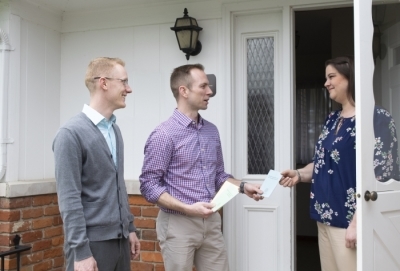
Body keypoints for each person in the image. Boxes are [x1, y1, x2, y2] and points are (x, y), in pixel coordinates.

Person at [139, 64, 263, 271]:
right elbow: (149, 185)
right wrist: (188, 208)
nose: (210, 92)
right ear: (184, 91)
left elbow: (219, 176)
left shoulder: (211, 131)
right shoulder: (163, 134)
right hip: (178, 224)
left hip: (211, 222)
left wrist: (243, 186)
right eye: (204, 86)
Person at [280, 56, 399, 271]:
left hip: (350, 222)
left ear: (351, 77)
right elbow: (322, 163)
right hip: (323, 218)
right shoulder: (332, 118)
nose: (326, 83)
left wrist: (357, 222)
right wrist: (298, 174)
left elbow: (381, 175)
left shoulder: (376, 117)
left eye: (331, 76)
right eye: (326, 78)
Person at [53, 57, 140, 271]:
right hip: (91, 245)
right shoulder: (70, 134)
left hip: (120, 241)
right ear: (104, 83)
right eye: (124, 82)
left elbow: (117, 185)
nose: (129, 89)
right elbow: (69, 199)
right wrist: (81, 252)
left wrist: (129, 228)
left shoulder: (114, 130)